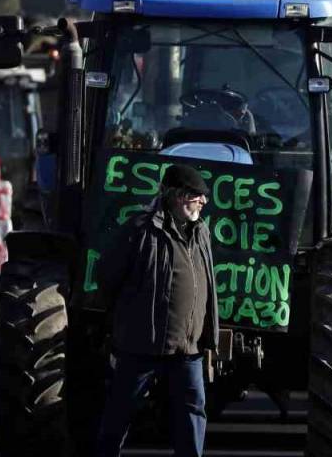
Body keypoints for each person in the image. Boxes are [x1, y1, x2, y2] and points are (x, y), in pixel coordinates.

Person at [96, 164, 217, 456]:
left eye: (204, 197)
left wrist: (208, 336)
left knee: (193, 412)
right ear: (177, 196)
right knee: (120, 412)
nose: (203, 202)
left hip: (187, 349)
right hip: (142, 346)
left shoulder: (201, 232)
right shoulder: (140, 229)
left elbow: (208, 283)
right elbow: (107, 276)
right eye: (196, 196)